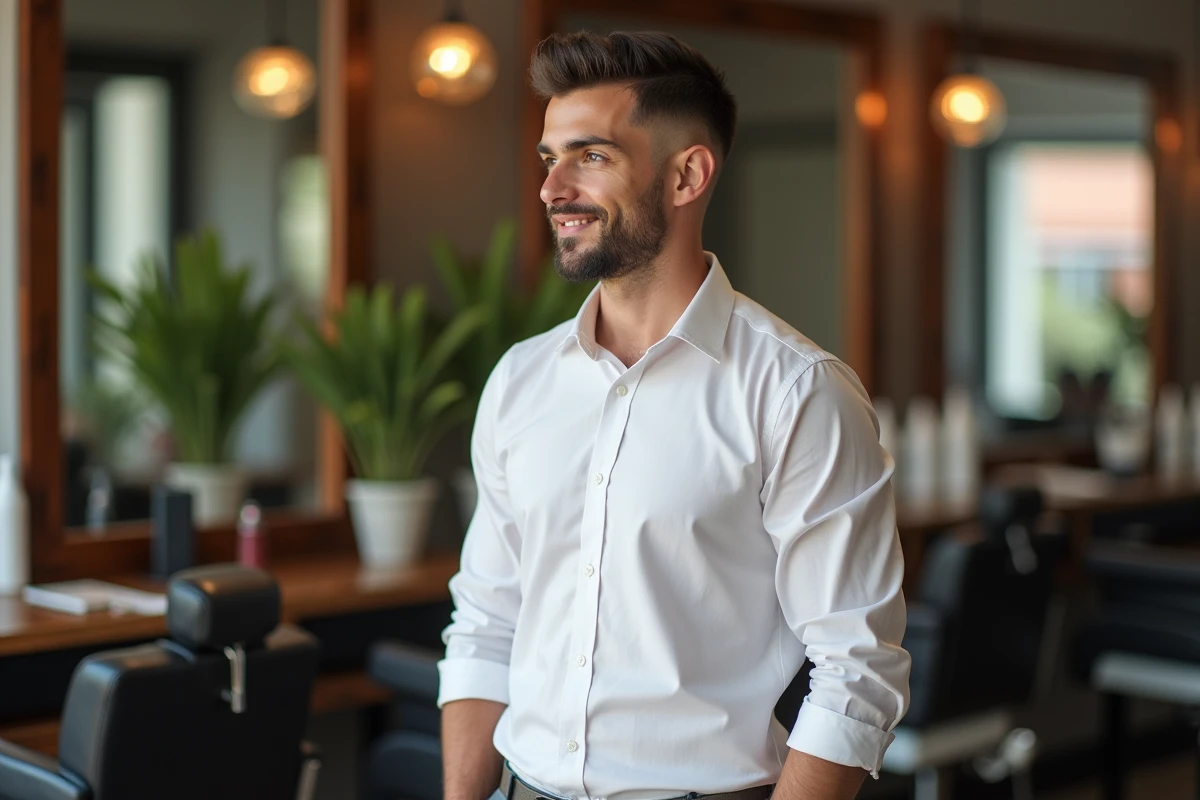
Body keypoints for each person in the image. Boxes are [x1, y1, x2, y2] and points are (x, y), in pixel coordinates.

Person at [438, 30, 910, 800]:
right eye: (548, 158)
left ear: (688, 173)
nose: (554, 187)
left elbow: (856, 672)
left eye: (591, 156)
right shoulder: (521, 380)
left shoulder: (796, 391)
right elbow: (488, 621)